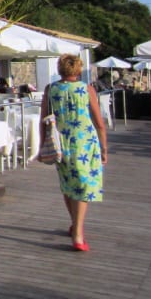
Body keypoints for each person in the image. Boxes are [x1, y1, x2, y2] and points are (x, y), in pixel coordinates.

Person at [40, 54, 107, 252]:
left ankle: (74, 225)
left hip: (61, 142)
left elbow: (43, 119)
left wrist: (42, 145)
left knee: (69, 184)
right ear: (78, 70)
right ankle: (78, 234)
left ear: (60, 69)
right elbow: (99, 123)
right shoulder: (86, 89)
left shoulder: (51, 89)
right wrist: (104, 149)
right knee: (84, 186)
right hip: (85, 142)